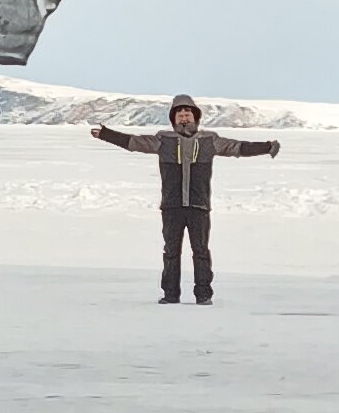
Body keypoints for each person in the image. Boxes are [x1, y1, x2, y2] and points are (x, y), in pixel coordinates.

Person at [90, 94, 278, 303]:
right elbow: (134, 142)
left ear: (195, 116)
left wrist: (266, 146)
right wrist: (106, 135)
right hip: (172, 206)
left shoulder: (210, 140)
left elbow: (238, 147)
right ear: (173, 119)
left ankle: (204, 295)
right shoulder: (163, 140)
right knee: (171, 252)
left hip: (199, 205)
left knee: (201, 251)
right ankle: (170, 295)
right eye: (179, 114)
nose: (184, 117)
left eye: (187, 113)